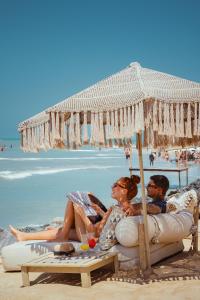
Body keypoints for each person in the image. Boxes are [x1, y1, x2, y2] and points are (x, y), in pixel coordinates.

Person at [9, 175, 141, 243]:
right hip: (96, 235)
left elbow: (94, 232)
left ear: (124, 191)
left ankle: (63, 234)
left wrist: (82, 215)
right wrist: (100, 212)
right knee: (87, 196)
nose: (112, 187)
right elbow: (109, 223)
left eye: (115, 185)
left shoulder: (115, 209)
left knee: (74, 200)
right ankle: (24, 236)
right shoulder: (128, 208)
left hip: (90, 240)